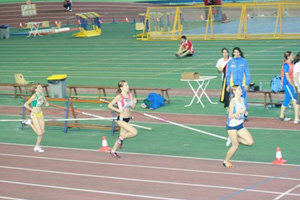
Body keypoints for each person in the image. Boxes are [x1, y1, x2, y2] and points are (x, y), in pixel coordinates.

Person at [223, 85, 253, 168]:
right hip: (232, 126)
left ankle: (232, 139)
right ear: (234, 91)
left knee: (250, 142)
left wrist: (245, 113)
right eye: (239, 89)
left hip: (240, 125)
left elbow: (243, 110)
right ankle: (226, 161)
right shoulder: (233, 102)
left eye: (241, 88)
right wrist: (240, 112)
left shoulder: (242, 99)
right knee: (235, 146)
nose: (241, 90)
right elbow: (230, 116)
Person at [108, 80, 138, 158]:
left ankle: (113, 151)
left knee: (122, 135)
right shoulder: (119, 97)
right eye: (126, 85)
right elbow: (109, 105)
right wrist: (118, 110)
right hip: (121, 119)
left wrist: (134, 102)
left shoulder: (130, 95)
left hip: (128, 119)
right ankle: (121, 138)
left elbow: (133, 107)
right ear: (121, 88)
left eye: (127, 85)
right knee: (134, 132)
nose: (128, 86)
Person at [23, 84, 49, 152]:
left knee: (42, 132)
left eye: (41, 87)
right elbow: (25, 104)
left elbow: (46, 102)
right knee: (39, 133)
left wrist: (46, 103)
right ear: (36, 89)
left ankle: (36, 146)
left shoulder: (42, 94)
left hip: (40, 114)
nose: (41, 88)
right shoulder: (34, 96)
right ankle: (29, 123)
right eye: (39, 87)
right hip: (34, 115)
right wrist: (32, 109)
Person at [226, 47, 250, 120]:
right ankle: (232, 115)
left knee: (243, 100)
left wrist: (246, 84)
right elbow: (228, 74)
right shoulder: (230, 62)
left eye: (237, 52)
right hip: (233, 85)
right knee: (233, 100)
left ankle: (244, 116)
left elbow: (247, 73)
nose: (236, 53)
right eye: (234, 52)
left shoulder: (244, 61)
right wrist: (228, 85)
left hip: (242, 85)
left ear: (240, 53)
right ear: (233, 53)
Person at [279, 51, 298, 122]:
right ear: (288, 56)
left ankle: (281, 116)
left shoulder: (291, 64)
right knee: (295, 98)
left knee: (287, 99)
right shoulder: (286, 65)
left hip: (290, 84)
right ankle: (297, 117)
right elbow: (287, 77)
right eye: (292, 55)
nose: (293, 56)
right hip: (287, 84)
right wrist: (293, 85)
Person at [293, 52, 300, 124]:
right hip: (299, 85)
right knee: (298, 102)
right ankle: (296, 118)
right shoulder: (297, 65)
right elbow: (297, 77)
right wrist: (298, 87)